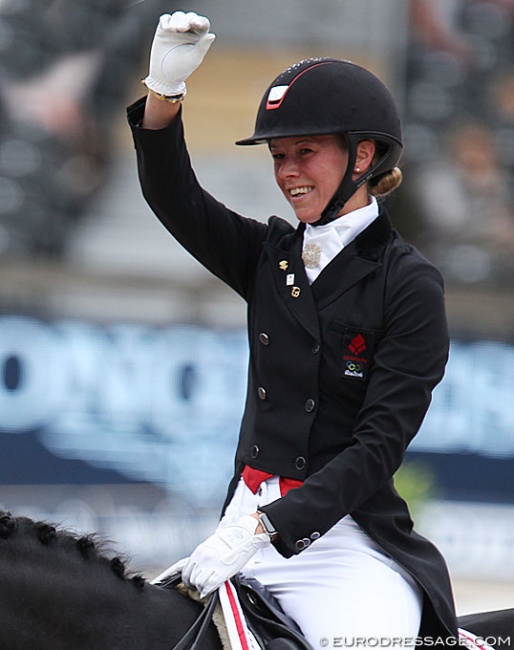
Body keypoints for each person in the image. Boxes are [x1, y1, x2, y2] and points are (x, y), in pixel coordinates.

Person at [127, 10, 458, 648]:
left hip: (342, 544)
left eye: (304, 152)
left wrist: (267, 528)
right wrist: (164, 92)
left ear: (363, 154)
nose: (287, 172)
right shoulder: (268, 257)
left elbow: (377, 448)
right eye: (279, 156)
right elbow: (175, 198)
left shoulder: (410, 285)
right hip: (237, 527)